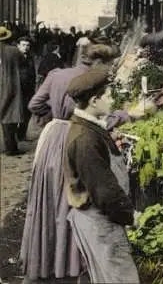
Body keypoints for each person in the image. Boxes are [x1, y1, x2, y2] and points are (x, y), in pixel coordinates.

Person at [19, 43, 131, 284]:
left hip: (52, 138)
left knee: (49, 201)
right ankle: (73, 263)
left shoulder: (56, 75)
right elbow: (100, 118)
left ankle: (47, 260)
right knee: (76, 199)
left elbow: (34, 105)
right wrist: (125, 115)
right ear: (99, 62)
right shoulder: (91, 83)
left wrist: (55, 114)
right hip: (76, 135)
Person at [64, 66, 140, 283]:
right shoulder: (85, 139)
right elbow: (103, 189)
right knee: (123, 279)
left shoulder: (89, 127)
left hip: (101, 217)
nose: (112, 99)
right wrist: (130, 216)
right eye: (108, 95)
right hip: (100, 220)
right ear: (95, 101)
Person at [0, 26, 24, 155]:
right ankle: (11, 147)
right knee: (10, 117)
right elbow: (23, 62)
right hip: (13, 85)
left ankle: (10, 147)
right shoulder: (14, 51)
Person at [16, 36, 37, 141]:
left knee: (27, 112)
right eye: (23, 45)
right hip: (17, 90)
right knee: (16, 113)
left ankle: (21, 134)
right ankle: (14, 135)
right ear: (18, 46)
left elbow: (33, 73)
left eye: (28, 45)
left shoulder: (30, 57)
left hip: (28, 90)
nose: (26, 47)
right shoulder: (14, 58)